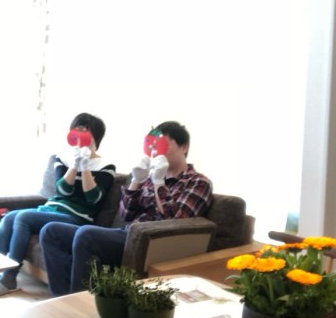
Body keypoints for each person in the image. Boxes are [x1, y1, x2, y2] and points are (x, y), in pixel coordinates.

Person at [40, 121, 213, 296]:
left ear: (184, 147)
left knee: (86, 235)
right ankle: (63, 299)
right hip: (128, 234)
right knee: (51, 231)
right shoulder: (149, 177)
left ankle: (81, 307)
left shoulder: (198, 182)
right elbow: (126, 214)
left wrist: (158, 183)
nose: (156, 152)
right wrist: (136, 181)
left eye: (163, 145)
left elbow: (175, 221)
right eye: (153, 147)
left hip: (151, 243)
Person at [0, 112, 116, 296]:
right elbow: (62, 191)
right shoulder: (63, 158)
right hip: (51, 210)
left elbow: (93, 198)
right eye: (77, 130)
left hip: (76, 219)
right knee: (9, 218)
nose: (80, 136)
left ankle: (9, 278)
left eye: (86, 131)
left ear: (96, 137)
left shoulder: (106, 166)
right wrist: (74, 165)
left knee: (24, 218)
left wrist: (85, 167)